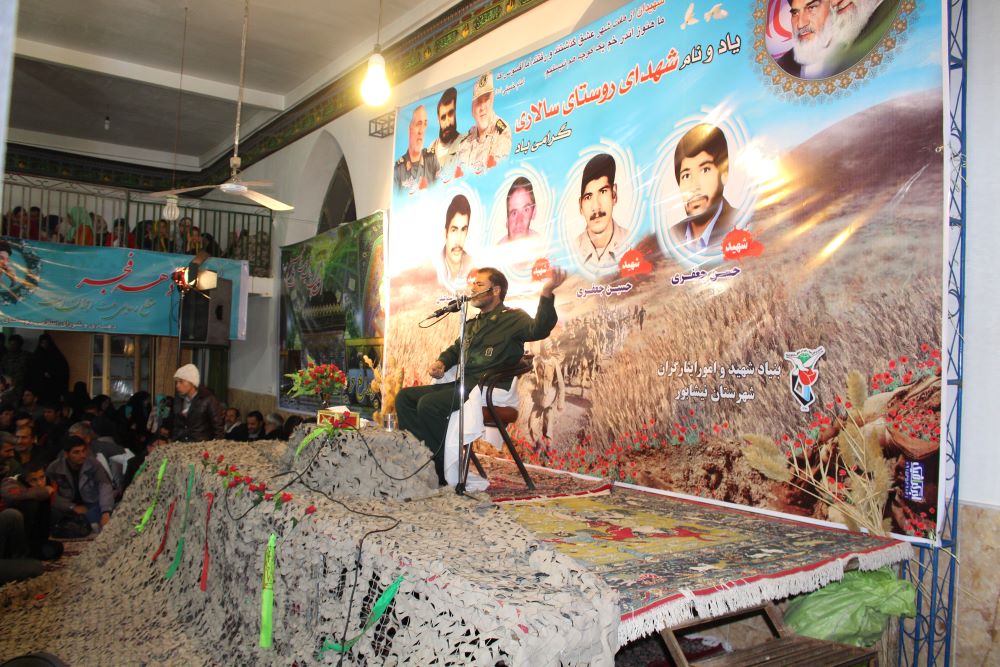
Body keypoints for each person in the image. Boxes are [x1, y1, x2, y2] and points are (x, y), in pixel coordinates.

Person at [396, 265, 566, 485]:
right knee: (405, 398)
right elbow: (456, 349)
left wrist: (546, 293)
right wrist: (442, 362)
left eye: (479, 284)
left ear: (496, 290)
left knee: (429, 404)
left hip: (487, 389)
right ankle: (418, 458)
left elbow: (539, 329)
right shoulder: (472, 324)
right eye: (473, 284)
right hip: (464, 384)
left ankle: (438, 472)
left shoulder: (513, 319)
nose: (473, 288)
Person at [668, 124, 738, 251]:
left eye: (705, 170)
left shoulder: (744, 226)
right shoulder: (669, 239)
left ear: (724, 173)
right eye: (686, 176)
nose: (694, 186)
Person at [46, 435, 114, 533]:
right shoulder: (54, 468)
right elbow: (52, 494)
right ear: (66, 454)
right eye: (76, 452)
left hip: (92, 505)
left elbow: (105, 486)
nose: (82, 455)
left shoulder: (94, 464)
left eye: (84, 451)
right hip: (66, 507)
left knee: (93, 519)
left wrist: (106, 511)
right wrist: (72, 507)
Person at [574, 153, 629, 274]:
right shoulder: (571, 252)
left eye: (603, 191)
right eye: (588, 197)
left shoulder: (633, 242)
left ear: (614, 194)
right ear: (580, 206)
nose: (596, 207)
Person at [458, 71, 511, 173]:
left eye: (486, 99)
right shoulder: (466, 140)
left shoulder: (502, 131)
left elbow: (497, 171)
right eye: (478, 101)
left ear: (492, 98)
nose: (482, 107)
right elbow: (463, 172)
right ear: (472, 108)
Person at [776, 0, 838, 79]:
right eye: (795, 13)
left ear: (833, 7)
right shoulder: (783, 65)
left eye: (811, 8)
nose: (800, 24)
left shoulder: (850, 55)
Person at [170, 364, 224, 442]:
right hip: (182, 444)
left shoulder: (208, 399)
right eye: (177, 382)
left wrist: (216, 446)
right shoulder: (179, 400)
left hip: (201, 445)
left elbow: (218, 428)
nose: (177, 386)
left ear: (192, 382)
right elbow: (177, 426)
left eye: (181, 382)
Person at [394, 105, 439, 192]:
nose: (421, 131)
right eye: (418, 124)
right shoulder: (399, 169)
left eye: (425, 124)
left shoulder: (431, 160)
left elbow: (441, 190)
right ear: (410, 129)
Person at [436, 194, 475, 289]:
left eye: (463, 230)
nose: (458, 239)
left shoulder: (473, 267)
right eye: (454, 230)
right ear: (445, 233)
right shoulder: (434, 268)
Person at [498, 177, 541, 244]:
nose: (519, 222)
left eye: (526, 210)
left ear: (533, 212)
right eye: (514, 213)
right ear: (507, 220)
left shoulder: (542, 244)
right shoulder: (497, 249)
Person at [430, 87, 462, 173]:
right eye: (443, 117)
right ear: (438, 120)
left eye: (450, 114)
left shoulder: (466, 144)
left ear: (455, 113)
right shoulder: (430, 151)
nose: (447, 124)